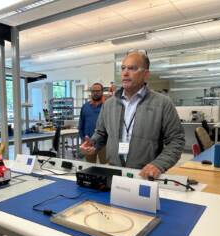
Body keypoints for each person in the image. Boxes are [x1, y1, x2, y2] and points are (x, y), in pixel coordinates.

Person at [81, 50, 185, 179]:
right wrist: (93, 144)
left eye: (132, 68)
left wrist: (159, 165)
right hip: (114, 172)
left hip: (145, 175)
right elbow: (101, 133)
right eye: (123, 68)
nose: (125, 73)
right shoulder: (109, 104)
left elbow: (176, 140)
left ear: (146, 74)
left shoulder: (162, 103)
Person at [78, 83, 107, 164]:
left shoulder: (107, 106)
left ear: (102, 92)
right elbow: (81, 125)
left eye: (98, 91)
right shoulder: (85, 107)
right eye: (93, 91)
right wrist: (83, 139)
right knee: (89, 167)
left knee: (105, 167)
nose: (95, 93)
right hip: (89, 143)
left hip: (104, 144)